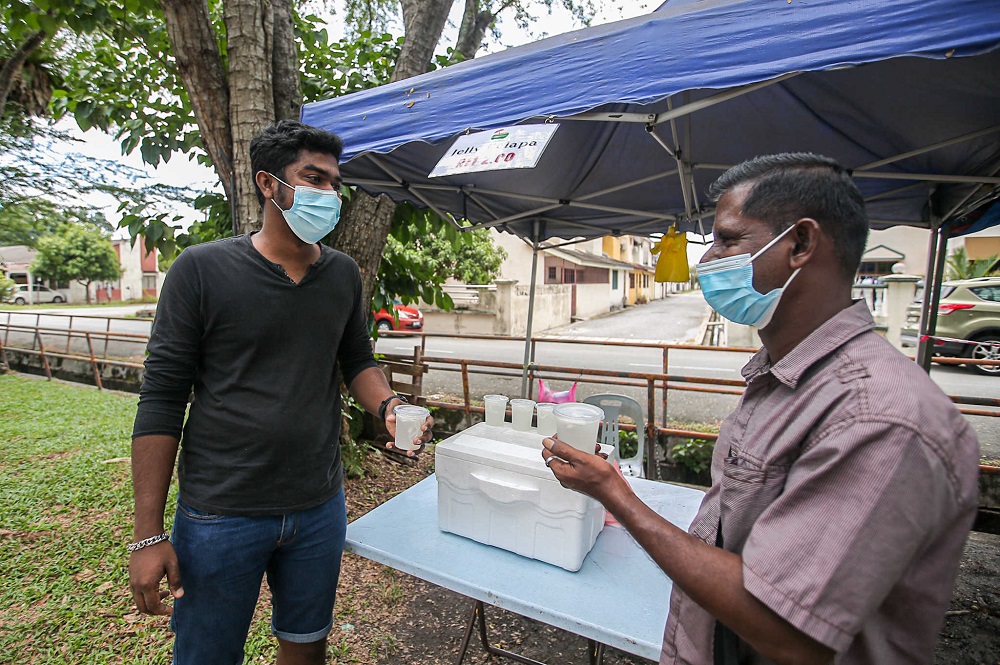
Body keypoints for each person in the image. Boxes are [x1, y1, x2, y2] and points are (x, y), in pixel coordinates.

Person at [541, 153, 979, 665]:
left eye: (728, 240)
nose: (707, 262)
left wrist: (614, 493)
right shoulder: (784, 375)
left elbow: (787, 630)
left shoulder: (881, 419)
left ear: (800, 244)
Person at [127, 119, 432, 665]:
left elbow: (356, 359)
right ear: (269, 185)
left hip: (318, 505)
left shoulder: (341, 275)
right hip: (223, 511)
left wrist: (388, 405)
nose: (329, 195)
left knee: (306, 643)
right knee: (207, 654)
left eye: (335, 183)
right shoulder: (201, 270)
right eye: (313, 179)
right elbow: (162, 399)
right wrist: (148, 534)